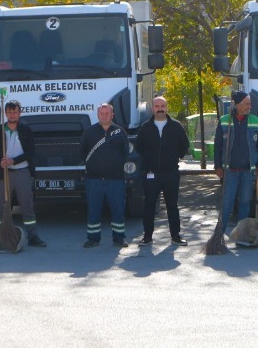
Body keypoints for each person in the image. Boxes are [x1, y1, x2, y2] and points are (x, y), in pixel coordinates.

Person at [135, 96, 191, 245]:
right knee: (149, 206)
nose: (160, 109)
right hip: (150, 173)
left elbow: (184, 145)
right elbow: (139, 147)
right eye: (157, 106)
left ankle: (176, 236)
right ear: (152, 108)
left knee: (172, 206)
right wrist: (149, 160)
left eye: (163, 106)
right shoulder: (145, 127)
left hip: (171, 173)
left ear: (167, 107)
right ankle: (147, 237)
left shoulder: (176, 126)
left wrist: (175, 157)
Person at [0, 100, 46, 247]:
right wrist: (0, 161)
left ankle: (33, 236)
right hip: (5, 173)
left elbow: (30, 152)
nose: (12, 114)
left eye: (15, 112)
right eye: (9, 112)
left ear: (19, 113)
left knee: (27, 204)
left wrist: (13, 161)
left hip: (22, 172)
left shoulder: (26, 130)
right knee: (1, 204)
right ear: (6, 113)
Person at [80, 102, 130, 247]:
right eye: (102, 113)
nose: (104, 115)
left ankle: (119, 238)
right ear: (97, 115)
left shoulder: (120, 132)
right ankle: (93, 238)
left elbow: (125, 153)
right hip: (93, 180)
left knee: (118, 210)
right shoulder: (89, 132)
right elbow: (82, 152)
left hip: (116, 180)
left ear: (112, 115)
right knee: (93, 210)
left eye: (107, 113)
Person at [214, 92, 258, 229]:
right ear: (238, 105)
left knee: (245, 202)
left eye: (250, 103)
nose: (250, 106)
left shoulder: (255, 120)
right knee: (227, 202)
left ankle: (241, 232)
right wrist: (217, 166)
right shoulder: (225, 120)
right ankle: (220, 231)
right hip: (230, 170)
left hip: (248, 170)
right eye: (247, 103)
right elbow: (218, 144)